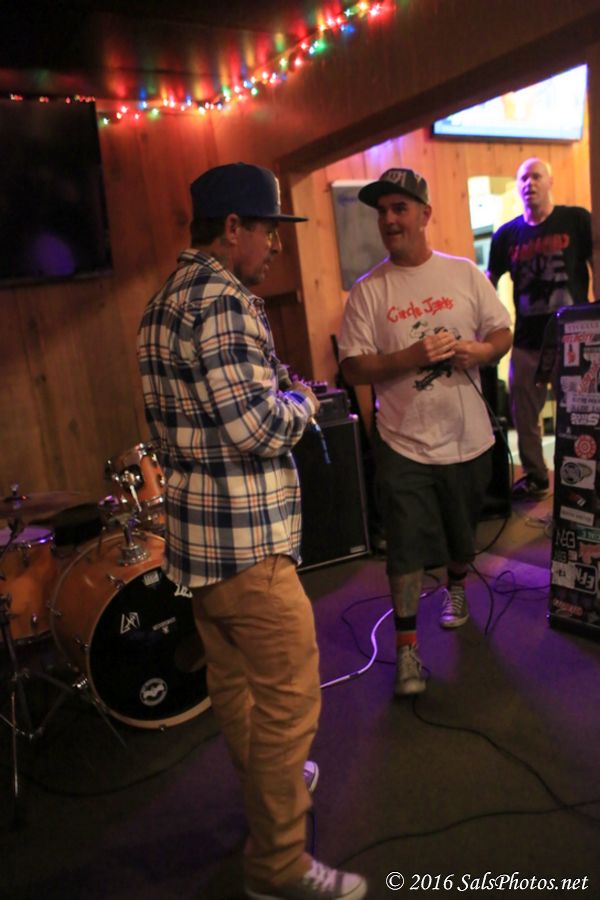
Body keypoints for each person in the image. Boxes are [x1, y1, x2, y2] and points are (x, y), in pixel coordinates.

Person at [137, 163, 367, 900]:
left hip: (200, 547)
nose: (274, 245)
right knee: (290, 704)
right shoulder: (225, 301)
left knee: (237, 692)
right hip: (250, 548)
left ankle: (271, 789)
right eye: (268, 230)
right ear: (233, 228)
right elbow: (257, 427)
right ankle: (278, 865)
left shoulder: (161, 304)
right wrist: (303, 400)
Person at [338, 167, 512, 697]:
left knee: (463, 532)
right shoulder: (368, 291)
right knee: (406, 545)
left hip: (467, 436)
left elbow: (502, 331)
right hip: (403, 441)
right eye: (382, 212)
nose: (389, 220)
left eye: (400, 209)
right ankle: (407, 648)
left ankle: (457, 586)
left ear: (425, 214)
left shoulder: (463, 274)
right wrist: (411, 356)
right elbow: (353, 367)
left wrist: (480, 351)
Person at [487, 157, 593, 499]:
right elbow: (489, 282)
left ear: (550, 182)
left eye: (536, 176)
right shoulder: (506, 235)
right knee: (523, 414)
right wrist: (489, 324)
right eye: (522, 178)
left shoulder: (576, 220)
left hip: (573, 339)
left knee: (579, 414)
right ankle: (536, 477)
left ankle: (582, 481)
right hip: (527, 342)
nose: (528, 183)